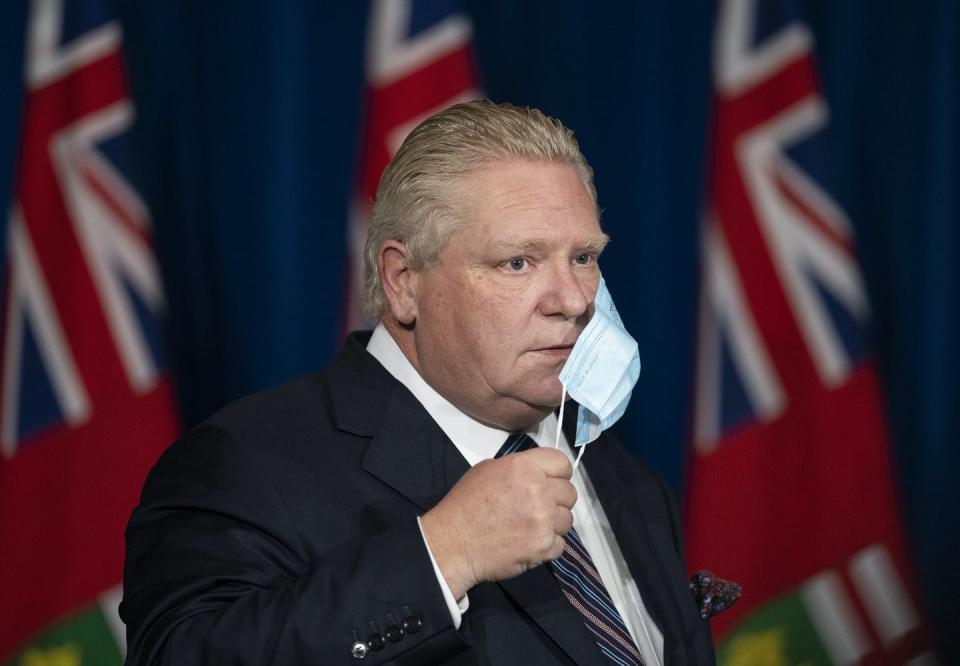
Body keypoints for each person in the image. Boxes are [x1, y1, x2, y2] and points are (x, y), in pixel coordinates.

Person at [121, 100, 715, 665]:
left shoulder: (624, 476)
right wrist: (443, 554)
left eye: (583, 257)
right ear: (403, 280)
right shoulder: (247, 465)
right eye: (518, 262)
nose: (574, 301)